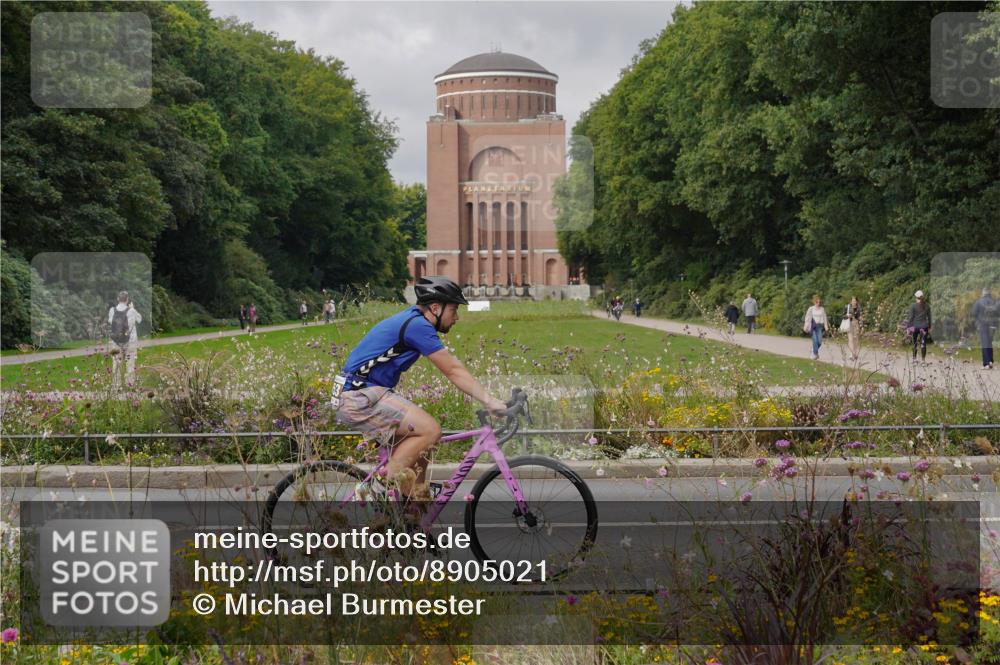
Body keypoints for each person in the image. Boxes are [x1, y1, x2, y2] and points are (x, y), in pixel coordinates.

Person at [332, 276, 507, 499]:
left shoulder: (412, 319)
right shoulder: (418, 326)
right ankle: (375, 490)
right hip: (359, 396)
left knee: (420, 455)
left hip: (361, 393)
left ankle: (412, 511)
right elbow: (453, 370)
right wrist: (490, 401)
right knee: (430, 430)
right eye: (453, 310)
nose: (456, 317)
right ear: (435, 308)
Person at [108, 290, 142, 389]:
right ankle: (130, 385)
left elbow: (110, 322)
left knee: (116, 363)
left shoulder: (112, 310)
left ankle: (116, 386)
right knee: (130, 363)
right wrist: (133, 308)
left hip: (116, 341)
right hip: (130, 341)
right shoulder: (131, 310)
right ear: (127, 299)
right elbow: (139, 319)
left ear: (118, 299)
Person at [904, 290, 932, 364]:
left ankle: (914, 360)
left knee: (914, 342)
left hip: (915, 327)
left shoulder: (913, 306)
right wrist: (929, 327)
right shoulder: (927, 305)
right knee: (923, 343)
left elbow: (911, 318)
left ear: (916, 297)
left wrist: (908, 328)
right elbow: (929, 317)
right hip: (924, 327)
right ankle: (923, 361)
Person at [972, 288, 996, 369]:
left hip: (983, 325)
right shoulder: (994, 301)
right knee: (989, 343)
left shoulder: (979, 301)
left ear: (983, 293)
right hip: (992, 326)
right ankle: (990, 361)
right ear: (989, 293)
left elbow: (973, 313)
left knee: (985, 344)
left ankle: (986, 363)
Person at [803, 295, 830, 360]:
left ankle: (813, 350)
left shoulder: (822, 309)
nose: (818, 303)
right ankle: (815, 354)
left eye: (819, 302)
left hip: (819, 326)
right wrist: (806, 326)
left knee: (819, 342)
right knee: (815, 340)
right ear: (814, 302)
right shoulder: (811, 308)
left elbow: (825, 318)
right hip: (813, 326)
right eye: (816, 302)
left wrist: (826, 327)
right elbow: (807, 318)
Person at [844, 296, 863, 361]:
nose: (854, 302)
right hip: (849, 324)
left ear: (857, 301)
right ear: (850, 301)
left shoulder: (859, 308)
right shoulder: (847, 307)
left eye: (855, 301)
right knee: (850, 339)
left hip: (856, 324)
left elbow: (860, 317)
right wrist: (847, 316)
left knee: (856, 339)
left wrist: (862, 325)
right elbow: (843, 316)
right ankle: (852, 354)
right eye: (852, 301)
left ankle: (855, 352)